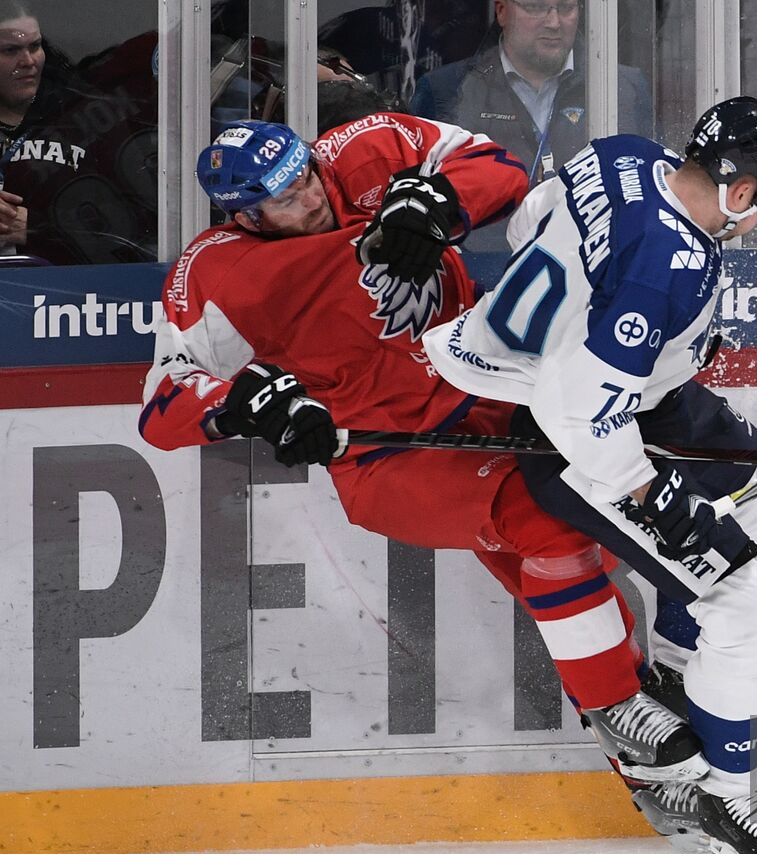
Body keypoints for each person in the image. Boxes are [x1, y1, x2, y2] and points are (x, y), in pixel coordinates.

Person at [137, 113, 710, 794]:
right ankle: (620, 705)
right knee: (550, 522)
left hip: (493, 388)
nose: (313, 196)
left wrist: (439, 203)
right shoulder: (216, 271)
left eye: (307, 177)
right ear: (246, 215)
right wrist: (244, 404)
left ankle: (649, 733)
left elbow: (500, 164)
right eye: (286, 199)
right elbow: (162, 405)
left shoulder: (365, 148)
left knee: (585, 542)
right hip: (390, 456)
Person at [422, 96, 757, 854]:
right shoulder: (664, 264)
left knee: (753, 481)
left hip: (602, 390)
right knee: (748, 603)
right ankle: (723, 795)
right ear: (736, 189)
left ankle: (672, 661)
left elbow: (535, 221)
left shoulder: (622, 154)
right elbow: (587, 414)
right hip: (574, 436)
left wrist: (648, 340)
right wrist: (651, 495)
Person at [410, 0, 652, 248]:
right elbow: (419, 210)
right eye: (536, 7)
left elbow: (652, 198)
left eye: (566, 8)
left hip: (589, 275)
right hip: (484, 276)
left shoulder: (625, 88)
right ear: (502, 11)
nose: (554, 22)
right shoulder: (446, 92)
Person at [0, 2, 155, 264]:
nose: (27, 62)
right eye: (10, 50)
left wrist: (35, 229)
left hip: (71, 296)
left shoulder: (87, 121)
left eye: (35, 47)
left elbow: (140, 227)